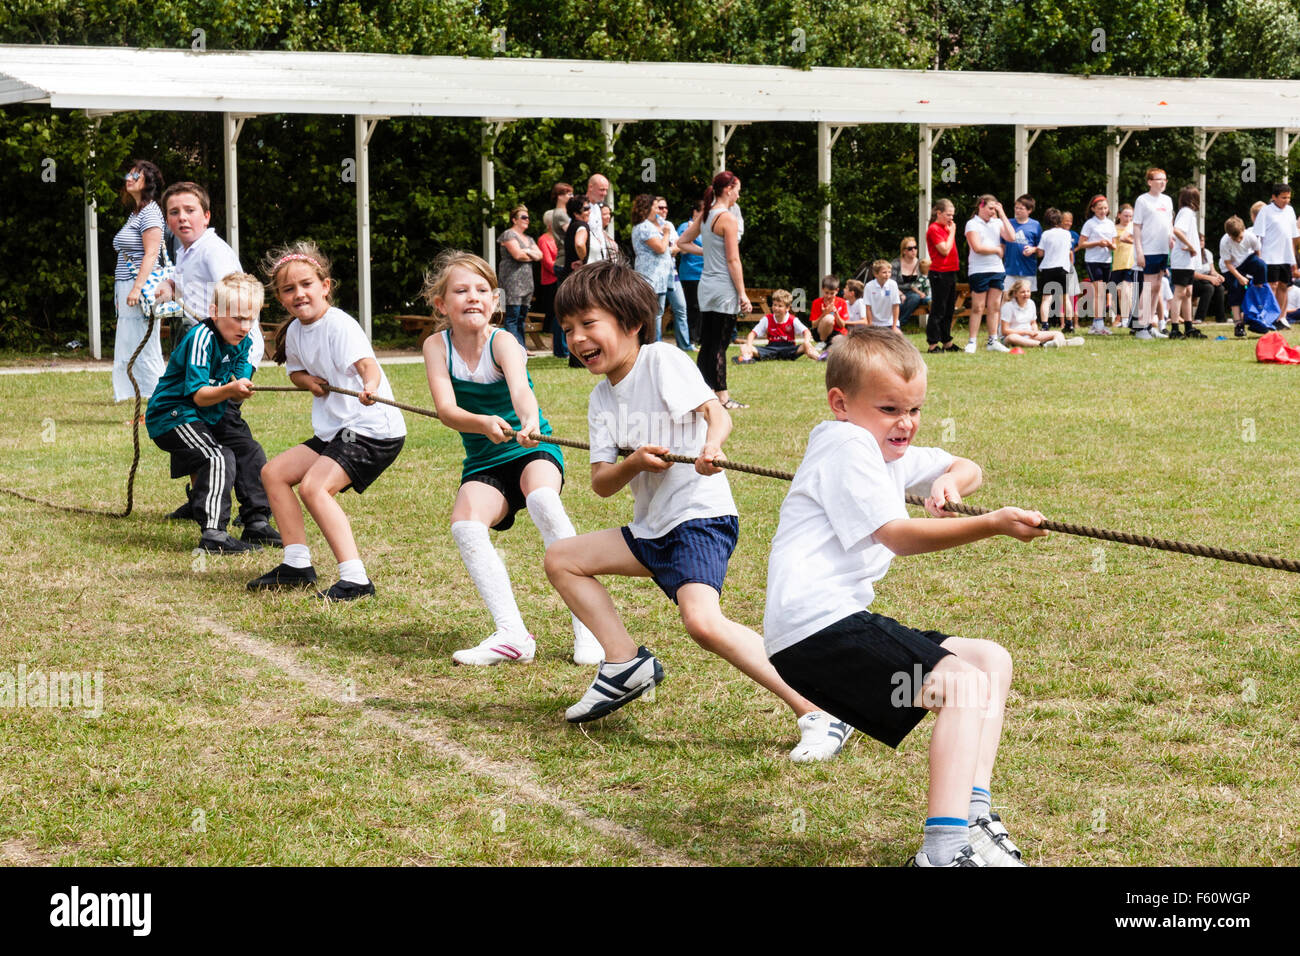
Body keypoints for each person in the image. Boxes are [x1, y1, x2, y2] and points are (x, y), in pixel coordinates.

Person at [763, 328, 1048, 866]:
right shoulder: (845, 443)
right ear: (840, 404)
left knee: (989, 660)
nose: (906, 423)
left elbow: (966, 465)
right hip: (814, 632)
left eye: (915, 409)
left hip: (834, 625)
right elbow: (896, 534)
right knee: (963, 684)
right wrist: (990, 524)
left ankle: (973, 816)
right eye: (891, 407)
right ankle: (941, 852)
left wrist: (951, 485)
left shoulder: (882, 446)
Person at [546, 261, 851, 762]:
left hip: (698, 518)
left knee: (703, 624)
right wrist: (635, 465)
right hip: (651, 529)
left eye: (588, 324)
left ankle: (820, 709)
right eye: (568, 330)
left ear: (631, 322)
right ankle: (624, 663)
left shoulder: (662, 361)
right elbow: (602, 482)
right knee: (562, 558)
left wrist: (712, 446)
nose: (577, 339)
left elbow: (716, 412)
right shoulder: (601, 398)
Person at [421, 251, 603, 667]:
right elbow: (447, 410)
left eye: (482, 290)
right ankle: (512, 635)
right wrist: (483, 422)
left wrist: (524, 420)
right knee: (466, 526)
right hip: (485, 459)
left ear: (495, 299)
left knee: (541, 499)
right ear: (441, 304)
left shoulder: (503, 342)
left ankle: (588, 625)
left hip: (531, 447)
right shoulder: (436, 346)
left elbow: (523, 392)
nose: (473, 297)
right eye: (461, 290)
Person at [247, 242, 406, 601]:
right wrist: (308, 382)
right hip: (337, 430)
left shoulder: (339, 325)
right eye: (289, 289)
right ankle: (297, 564)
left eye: (306, 284)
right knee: (274, 473)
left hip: (371, 429)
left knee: (314, 488)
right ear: (281, 298)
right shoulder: (295, 332)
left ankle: (356, 580)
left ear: (325, 286)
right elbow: (296, 372)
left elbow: (368, 366)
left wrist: (370, 386)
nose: (299, 294)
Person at [157, 181, 276, 540]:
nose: (181, 218)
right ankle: (202, 502)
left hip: (232, 349)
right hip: (206, 352)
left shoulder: (213, 251)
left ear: (206, 216)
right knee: (205, 434)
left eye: (190, 211)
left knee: (230, 434)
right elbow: (190, 285)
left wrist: (239, 367)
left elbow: (237, 300)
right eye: (174, 212)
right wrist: (171, 286)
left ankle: (254, 519)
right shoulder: (184, 249)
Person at [144, 273, 271, 554]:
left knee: (249, 450)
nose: (245, 326)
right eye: (237, 318)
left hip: (210, 413)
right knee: (217, 457)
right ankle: (214, 534)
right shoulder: (202, 337)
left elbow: (238, 379)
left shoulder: (244, 342)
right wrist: (230, 389)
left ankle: (257, 521)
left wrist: (240, 385)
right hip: (174, 414)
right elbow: (199, 395)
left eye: (251, 319)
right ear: (214, 312)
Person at [677, 171, 751, 410]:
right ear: (728, 189)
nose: (739, 193)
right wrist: (742, 294)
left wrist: (706, 253)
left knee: (708, 342)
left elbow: (682, 242)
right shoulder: (727, 218)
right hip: (723, 287)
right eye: (738, 188)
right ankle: (722, 397)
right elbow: (733, 260)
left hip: (706, 286)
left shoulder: (707, 215)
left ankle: (701, 392)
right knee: (720, 344)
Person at [111, 159, 167, 405]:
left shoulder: (151, 212)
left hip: (140, 288)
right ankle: (143, 398)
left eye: (136, 175)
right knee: (131, 343)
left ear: (148, 182)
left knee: (145, 346)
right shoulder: (137, 212)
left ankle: (160, 400)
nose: (129, 178)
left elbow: (151, 254)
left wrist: (136, 288)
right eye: (128, 174)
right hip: (127, 286)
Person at [964, 195, 1015, 353]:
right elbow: (977, 247)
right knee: (978, 307)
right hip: (979, 270)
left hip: (997, 270)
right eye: (990, 208)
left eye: (995, 208)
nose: (993, 212)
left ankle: (993, 340)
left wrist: (1003, 214)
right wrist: (997, 249)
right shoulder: (972, 223)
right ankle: (972, 341)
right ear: (981, 206)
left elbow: (1012, 237)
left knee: (994, 307)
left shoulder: (998, 222)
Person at [1132, 167, 1174, 339]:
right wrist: (1139, 251)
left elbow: (1169, 223)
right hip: (1148, 250)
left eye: (1164, 179)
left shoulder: (1168, 200)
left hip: (1163, 249)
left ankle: (1150, 324)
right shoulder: (1142, 200)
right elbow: (1136, 226)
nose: (1162, 182)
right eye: (1159, 179)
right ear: (1150, 182)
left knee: (1158, 287)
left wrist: (1171, 238)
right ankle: (1140, 326)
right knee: (1148, 287)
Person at [630, 193, 675, 343]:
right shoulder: (644, 227)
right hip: (650, 277)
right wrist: (667, 233)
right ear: (647, 208)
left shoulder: (647, 226)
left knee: (657, 313)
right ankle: (652, 343)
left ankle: (655, 342)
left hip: (658, 278)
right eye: (655, 207)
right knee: (652, 314)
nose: (658, 211)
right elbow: (661, 248)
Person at [1252, 182, 1299, 324]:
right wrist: (1259, 257)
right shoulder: (1266, 211)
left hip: (1285, 256)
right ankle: (1269, 317)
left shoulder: (1290, 211)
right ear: (1274, 197)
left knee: (1284, 286)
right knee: (1271, 286)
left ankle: (1280, 317)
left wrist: (1293, 260)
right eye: (1283, 198)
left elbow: (1292, 236)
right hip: (1270, 256)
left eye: (1288, 198)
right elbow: (1258, 236)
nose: (1286, 201)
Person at [497, 205, 541, 348]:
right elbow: (518, 255)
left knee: (522, 316)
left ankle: (521, 347)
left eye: (528, 217)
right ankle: (512, 348)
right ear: (514, 219)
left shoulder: (529, 238)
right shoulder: (508, 234)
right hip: (512, 281)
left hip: (527, 281)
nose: (527, 220)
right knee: (512, 316)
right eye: (523, 217)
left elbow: (540, 256)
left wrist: (526, 251)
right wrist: (529, 254)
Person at [734, 289, 819, 363]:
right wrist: (749, 345)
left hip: (789, 349)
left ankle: (819, 358)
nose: (776, 308)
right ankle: (747, 359)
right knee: (744, 346)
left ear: (788, 308)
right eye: (774, 305)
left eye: (780, 306)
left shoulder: (793, 320)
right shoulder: (767, 319)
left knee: (807, 345)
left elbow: (806, 332)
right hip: (771, 349)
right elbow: (752, 334)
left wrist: (806, 342)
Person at [1167, 186, 1206, 339]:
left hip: (1187, 261)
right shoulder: (1186, 212)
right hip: (1182, 260)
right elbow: (1177, 230)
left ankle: (1189, 326)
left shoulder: (1189, 214)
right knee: (1180, 292)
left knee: (1188, 292)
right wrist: (1189, 246)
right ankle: (1175, 328)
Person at [655, 197, 693, 351]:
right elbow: (658, 249)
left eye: (666, 207)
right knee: (658, 311)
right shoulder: (649, 227)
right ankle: (657, 345)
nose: (664, 210)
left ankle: (685, 345)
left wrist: (667, 249)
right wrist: (668, 248)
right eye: (660, 207)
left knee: (681, 308)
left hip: (673, 272)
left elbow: (679, 247)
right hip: (658, 274)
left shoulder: (669, 225)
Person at [1219, 215, 1266, 336]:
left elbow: (1257, 252)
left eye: (1240, 237)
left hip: (1245, 260)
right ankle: (1238, 324)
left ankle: (1259, 297)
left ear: (1243, 230)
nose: (1238, 240)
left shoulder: (1250, 236)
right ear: (1229, 235)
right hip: (1230, 268)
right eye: (1235, 239)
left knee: (1261, 265)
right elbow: (1228, 263)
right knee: (1235, 289)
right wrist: (1239, 277)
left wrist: (1257, 275)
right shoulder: (1225, 242)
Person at [999, 279, 1081, 348]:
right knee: (1012, 338)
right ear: (1015, 294)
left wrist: (1035, 330)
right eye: (1022, 292)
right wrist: (1026, 332)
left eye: (1028, 291)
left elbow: (1033, 323)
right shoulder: (1008, 307)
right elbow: (1005, 331)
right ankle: (1042, 345)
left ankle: (1061, 342)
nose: (1026, 294)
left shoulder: (1031, 303)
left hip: (1029, 334)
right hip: (1011, 336)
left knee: (1058, 333)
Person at [925, 198, 961, 353]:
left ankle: (946, 341)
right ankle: (933, 343)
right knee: (938, 310)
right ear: (938, 213)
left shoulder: (945, 228)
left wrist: (950, 230)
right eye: (948, 214)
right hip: (939, 273)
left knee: (949, 310)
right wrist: (952, 232)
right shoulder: (934, 229)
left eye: (952, 215)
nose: (951, 218)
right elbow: (944, 250)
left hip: (950, 272)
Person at [1078, 194, 1116, 334]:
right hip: (1093, 260)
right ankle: (1099, 324)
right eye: (1099, 208)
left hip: (1106, 260)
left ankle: (1095, 324)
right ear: (1093, 209)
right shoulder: (1090, 224)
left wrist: (1111, 246)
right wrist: (1098, 243)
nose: (1103, 211)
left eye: (1105, 208)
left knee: (1103, 291)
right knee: (1099, 291)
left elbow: (1114, 244)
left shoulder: (1110, 223)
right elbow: (1081, 244)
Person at [1002, 194, 1042, 306]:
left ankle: (1025, 322)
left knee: (1025, 299)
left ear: (1029, 210)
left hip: (1027, 268)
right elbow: (1002, 244)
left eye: (1021, 208)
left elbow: (1041, 248)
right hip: (1010, 268)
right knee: (1006, 298)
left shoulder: (1035, 225)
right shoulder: (1008, 223)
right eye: (1016, 207)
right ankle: (1003, 323)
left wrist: (1033, 249)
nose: (1017, 210)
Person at [1037, 208, 1073, 329]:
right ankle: (1069, 324)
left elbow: (1040, 253)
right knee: (1065, 297)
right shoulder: (1067, 234)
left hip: (1048, 268)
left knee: (1046, 299)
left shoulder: (1045, 234)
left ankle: (1044, 324)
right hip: (1063, 268)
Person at [676, 200, 705, 347]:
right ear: (696, 212)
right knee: (693, 306)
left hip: (705, 273)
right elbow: (683, 249)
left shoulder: (706, 227)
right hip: (691, 274)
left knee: (702, 307)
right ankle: (692, 338)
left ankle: (701, 337)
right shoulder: (684, 227)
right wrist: (693, 231)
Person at [536, 224, 563, 357]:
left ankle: (557, 345)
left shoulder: (560, 238)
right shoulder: (544, 239)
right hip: (551, 280)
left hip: (559, 278)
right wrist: (561, 271)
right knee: (554, 313)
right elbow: (546, 261)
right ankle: (555, 346)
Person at [891, 237, 931, 327]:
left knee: (930, 300)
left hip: (918, 293)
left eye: (915, 247)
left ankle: (898, 324)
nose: (913, 250)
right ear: (904, 251)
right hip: (899, 292)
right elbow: (891, 283)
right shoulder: (896, 263)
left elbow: (926, 280)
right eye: (910, 248)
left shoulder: (921, 263)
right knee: (908, 299)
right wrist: (900, 294)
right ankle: (897, 324)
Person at [1110, 204, 1137, 328]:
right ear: (1119, 215)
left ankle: (1128, 319)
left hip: (1131, 264)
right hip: (1117, 265)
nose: (1128, 218)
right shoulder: (1113, 228)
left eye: (1130, 216)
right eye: (1125, 215)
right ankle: (1125, 318)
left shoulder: (1134, 228)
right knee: (1120, 293)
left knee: (1127, 292)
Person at [1192, 235, 1228, 327]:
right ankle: (1199, 318)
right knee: (1208, 288)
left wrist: (1218, 276)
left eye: (1203, 241)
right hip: (1192, 281)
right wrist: (1210, 278)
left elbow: (1212, 271)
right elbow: (1193, 274)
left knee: (1220, 287)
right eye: (1199, 240)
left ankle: (1221, 318)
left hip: (1205, 280)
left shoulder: (1207, 253)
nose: (1201, 242)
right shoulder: (1191, 253)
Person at [809, 274, 850, 348]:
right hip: (819, 333)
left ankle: (828, 346)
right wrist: (824, 314)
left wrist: (836, 313)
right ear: (822, 289)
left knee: (837, 343)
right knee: (829, 318)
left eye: (832, 293)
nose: (828, 296)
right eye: (826, 292)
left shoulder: (842, 302)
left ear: (837, 290)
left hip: (836, 332)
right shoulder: (816, 302)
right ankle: (822, 342)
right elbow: (814, 325)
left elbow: (842, 325)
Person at [863, 260, 902, 332]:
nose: (887, 274)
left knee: (898, 336)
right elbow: (868, 308)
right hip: (875, 324)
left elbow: (896, 306)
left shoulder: (893, 284)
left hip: (890, 322)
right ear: (876, 274)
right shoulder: (869, 286)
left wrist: (894, 326)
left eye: (889, 272)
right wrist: (870, 325)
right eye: (884, 272)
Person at [545, 181, 574, 281]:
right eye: (569, 194)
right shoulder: (560, 214)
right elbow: (572, 233)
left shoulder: (564, 213)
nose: (572, 197)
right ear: (559, 196)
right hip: (564, 262)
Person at [584, 174, 614, 263]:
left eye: (606, 190)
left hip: (599, 260)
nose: (604, 193)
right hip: (587, 261)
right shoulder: (581, 207)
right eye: (601, 189)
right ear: (590, 187)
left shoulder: (597, 208)